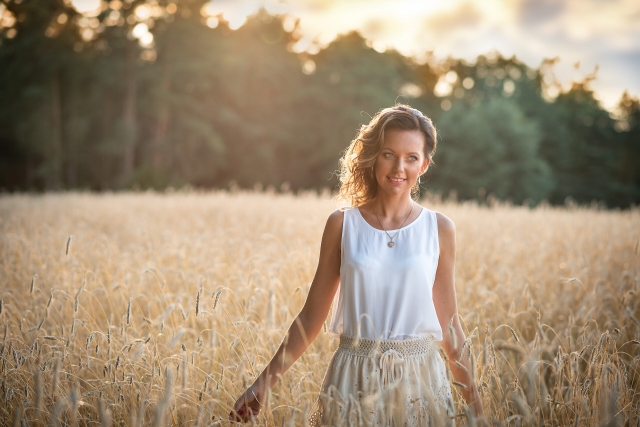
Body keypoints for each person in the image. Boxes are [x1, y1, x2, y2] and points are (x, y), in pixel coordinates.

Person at [230, 104, 484, 426]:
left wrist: (476, 406)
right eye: (389, 154)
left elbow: (451, 327)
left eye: (411, 157)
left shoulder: (439, 229)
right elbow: (311, 316)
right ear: (373, 156)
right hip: (353, 377)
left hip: (420, 381)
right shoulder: (342, 224)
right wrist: (262, 384)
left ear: (424, 165)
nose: (399, 167)